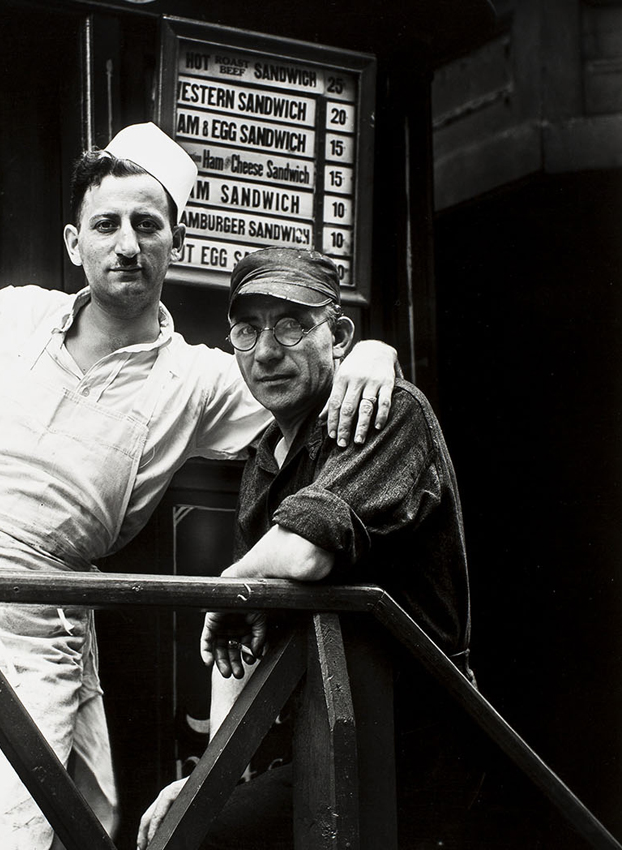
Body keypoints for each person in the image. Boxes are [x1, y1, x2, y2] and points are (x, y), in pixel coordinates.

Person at [0, 124, 398, 850]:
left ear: (172, 242)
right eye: (106, 225)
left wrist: (374, 350)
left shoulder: (200, 376)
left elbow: (311, 377)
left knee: (41, 826)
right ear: (72, 241)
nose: (126, 245)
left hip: (35, 605)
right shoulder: (17, 313)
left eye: (146, 225)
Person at [138, 247, 473, 850]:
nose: (266, 351)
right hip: (321, 743)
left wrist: (232, 584)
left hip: (412, 755)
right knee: (180, 827)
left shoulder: (390, 409)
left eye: (291, 325)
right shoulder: (265, 458)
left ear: (339, 335)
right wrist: (209, 781)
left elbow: (305, 552)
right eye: (247, 330)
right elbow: (238, 649)